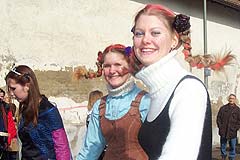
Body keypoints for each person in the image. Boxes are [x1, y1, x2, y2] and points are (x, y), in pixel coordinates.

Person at [129, 4, 221, 160]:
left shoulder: (188, 89)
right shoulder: (157, 91)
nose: (145, 40)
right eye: (139, 33)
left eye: (155, 33)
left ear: (174, 40)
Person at [76, 44, 150, 160]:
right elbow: (91, 149)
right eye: (107, 66)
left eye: (118, 65)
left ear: (130, 66)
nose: (112, 71)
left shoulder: (146, 101)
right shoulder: (100, 106)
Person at [5, 65, 72, 160]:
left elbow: (62, 147)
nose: (11, 94)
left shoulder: (48, 110)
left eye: (13, 88)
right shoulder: (25, 109)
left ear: (27, 86)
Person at [217, 94, 240, 160]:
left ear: (235, 100)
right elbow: (218, 118)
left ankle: (232, 157)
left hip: (232, 131)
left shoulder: (238, 110)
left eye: (233, 98)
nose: (231, 100)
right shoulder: (223, 108)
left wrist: (236, 128)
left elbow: (239, 121)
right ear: (228, 99)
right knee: (223, 145)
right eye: (230, 98)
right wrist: (220, 127)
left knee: (232, 146)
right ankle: (223, 156)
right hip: (223, 130)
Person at [0, 88, 17, 160]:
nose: (1, 98)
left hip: (4, 138)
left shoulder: (5, 107)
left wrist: (9, 138)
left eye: (2, 96)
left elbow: (10, 124)